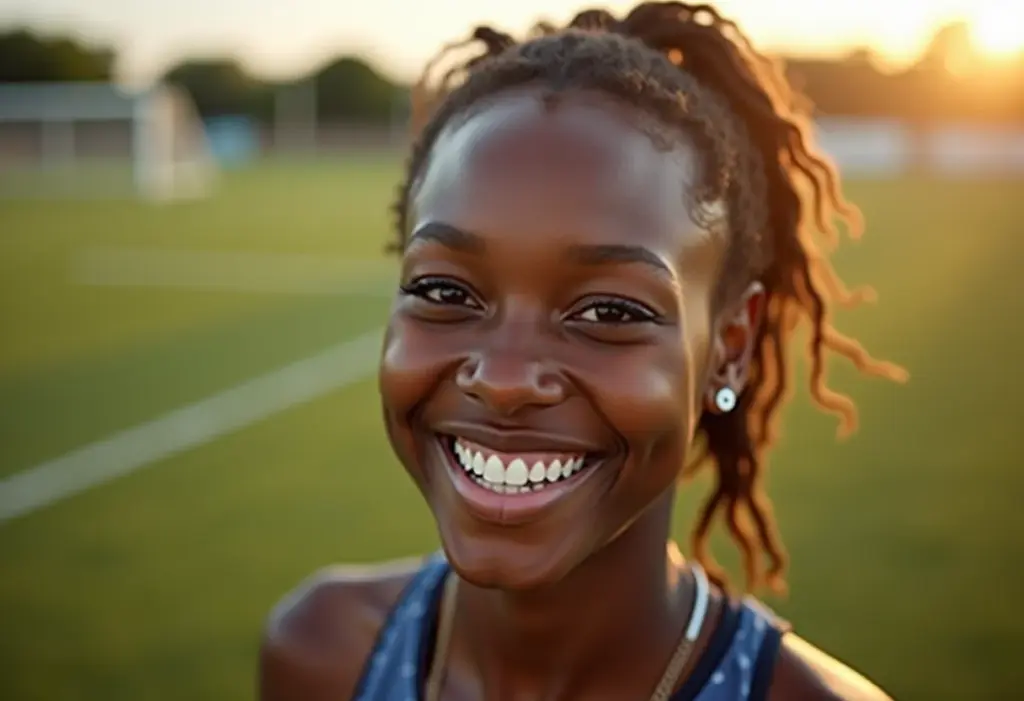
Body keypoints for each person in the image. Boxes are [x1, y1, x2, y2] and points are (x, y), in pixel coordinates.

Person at [259, 3, 909, 699]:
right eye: (445, 291)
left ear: (730, 345)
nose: (505, 380)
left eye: (609, 310)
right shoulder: (322, 652)